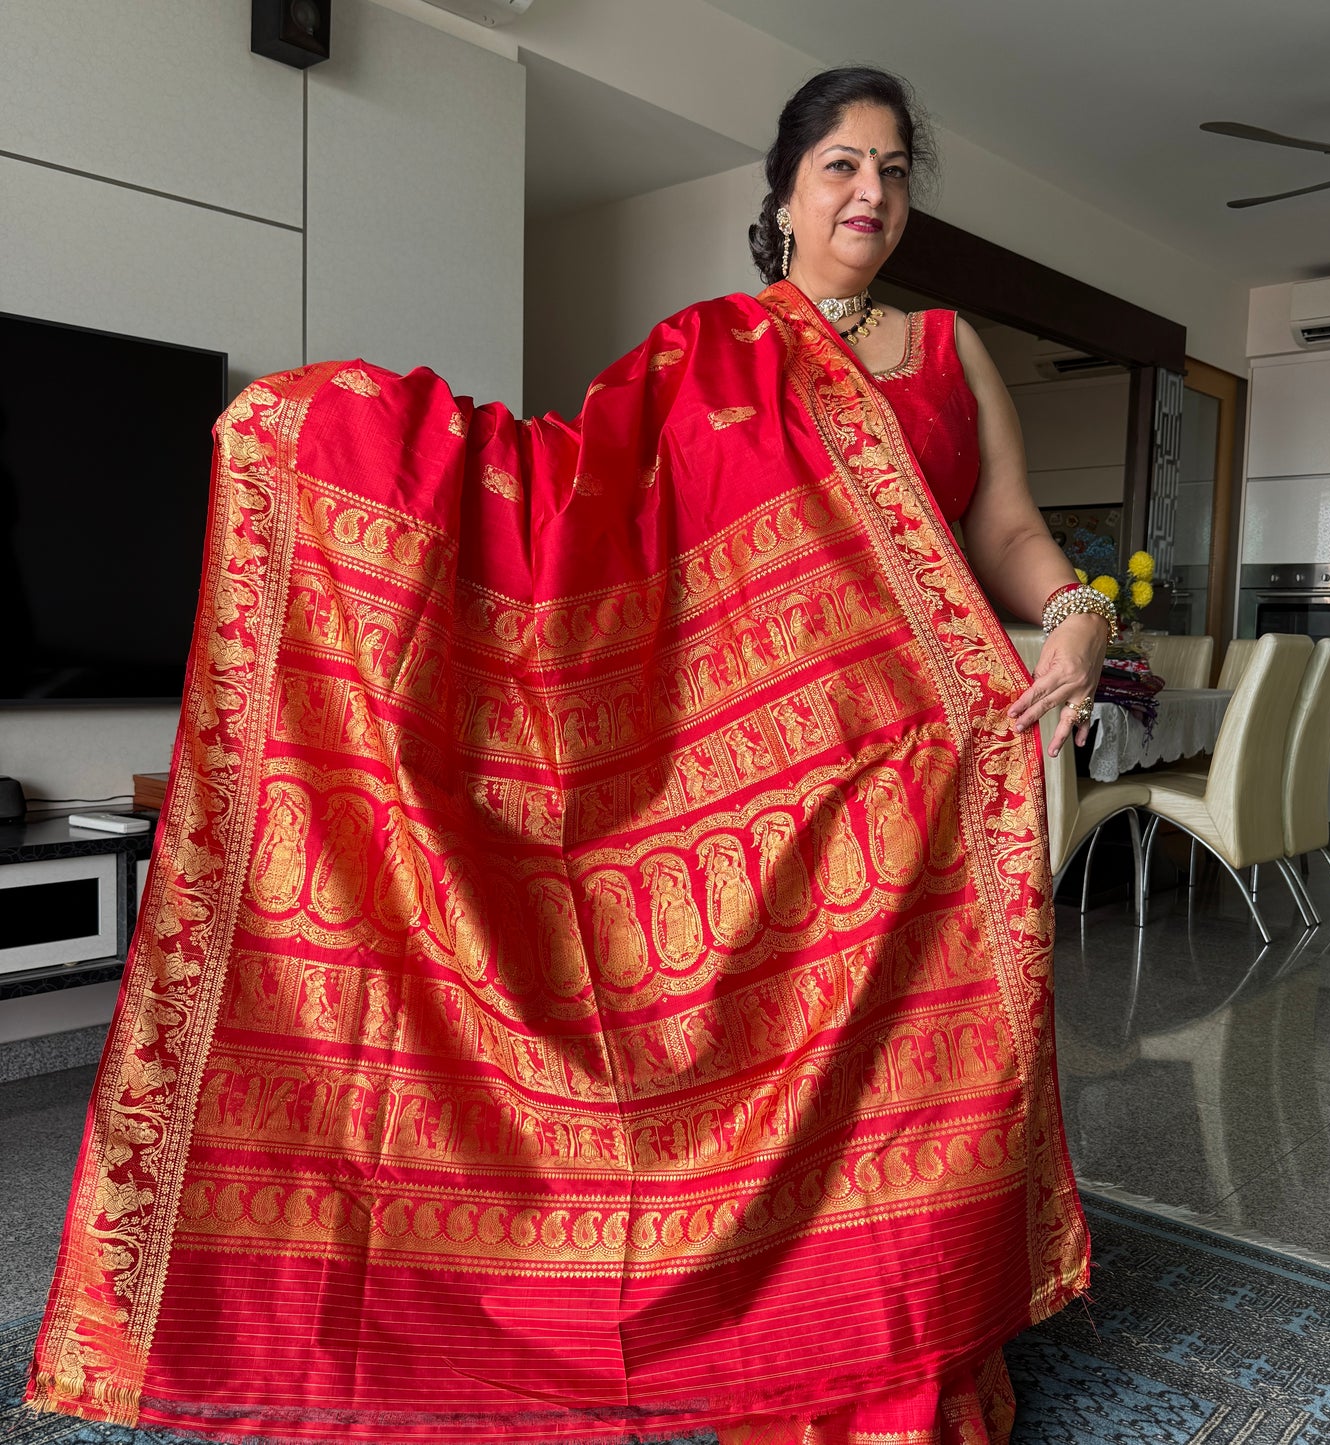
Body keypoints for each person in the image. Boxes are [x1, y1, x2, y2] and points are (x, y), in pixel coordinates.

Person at [28, 66, 1111, 1445]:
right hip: (758, 804)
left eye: (894, 170)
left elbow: (1007, 529)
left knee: (911, 1098)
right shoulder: (705, 356)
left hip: (918, 791)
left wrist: (1074, 611)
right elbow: (561, 502)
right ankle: (734, 1320)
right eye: (841, 164)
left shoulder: (948, 351)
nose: (870, 192)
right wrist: (332, 433)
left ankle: (900, 1356)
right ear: (782, 192)